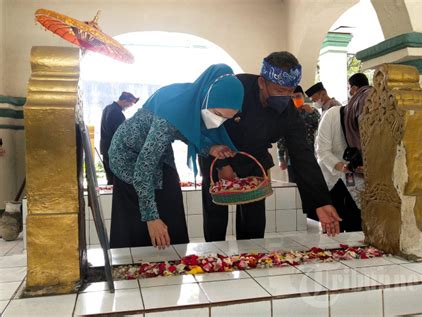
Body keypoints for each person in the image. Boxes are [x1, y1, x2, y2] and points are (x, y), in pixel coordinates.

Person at [199, 51, 341, 242]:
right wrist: (221, 165)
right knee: (215, 217)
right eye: (278, 91)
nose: (285, 97)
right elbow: (208, 125)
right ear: (261, 83)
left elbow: (303, 155)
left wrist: (321, 201)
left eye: (289, 91)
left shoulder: (288, 112)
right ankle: (214, 261)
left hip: (254, 160)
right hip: (218, 154)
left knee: (253, 225)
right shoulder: (235, 87)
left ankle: (251, 263)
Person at [108, 64, 244, 249]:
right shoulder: (172, 109)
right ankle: (138, 267)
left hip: (159, 153)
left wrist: (209, 147)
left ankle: (173, 262)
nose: (219, 121)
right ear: (206, 99)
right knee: (139, 225)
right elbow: (143, 170)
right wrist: (152, 218)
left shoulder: (192, 99)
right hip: (127, 157)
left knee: (172, 210)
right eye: (217, 114)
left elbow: (182, 130)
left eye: (226, 118)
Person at [315, 104, 364, 232]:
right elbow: (322, 151)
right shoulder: (332, 115)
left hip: (358, 185)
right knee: (333, 229)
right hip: (333, 181)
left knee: (357, 227)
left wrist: (366, 167)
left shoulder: (371, 120)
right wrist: (343, 166)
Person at [277, 86, 320, 183]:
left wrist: (312, 113)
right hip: (291, 157)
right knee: (294, 185)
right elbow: (281, 138)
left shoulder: (311, 111)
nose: (296, 99)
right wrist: (281, 158)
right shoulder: (285, 114)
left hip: (309, 155)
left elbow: (319, 125)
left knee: (310, 183)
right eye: (292, 97)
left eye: (298, 96)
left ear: (303, 96)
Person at [100, 92, 139, 185]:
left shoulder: (107, 108)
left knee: (110, 178)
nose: (130, 106)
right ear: (125, 100)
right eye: (130, 103)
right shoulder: (117, 113)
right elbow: (121, 135)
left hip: (105, 148)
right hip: (114, 151)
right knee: (116, 181)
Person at [345, 73, 373, 152]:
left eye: (348, 88)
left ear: (354, 88)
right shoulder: (375, 93)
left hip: (367, 147)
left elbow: (363, 124)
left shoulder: (361, 98)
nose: (348, 91)